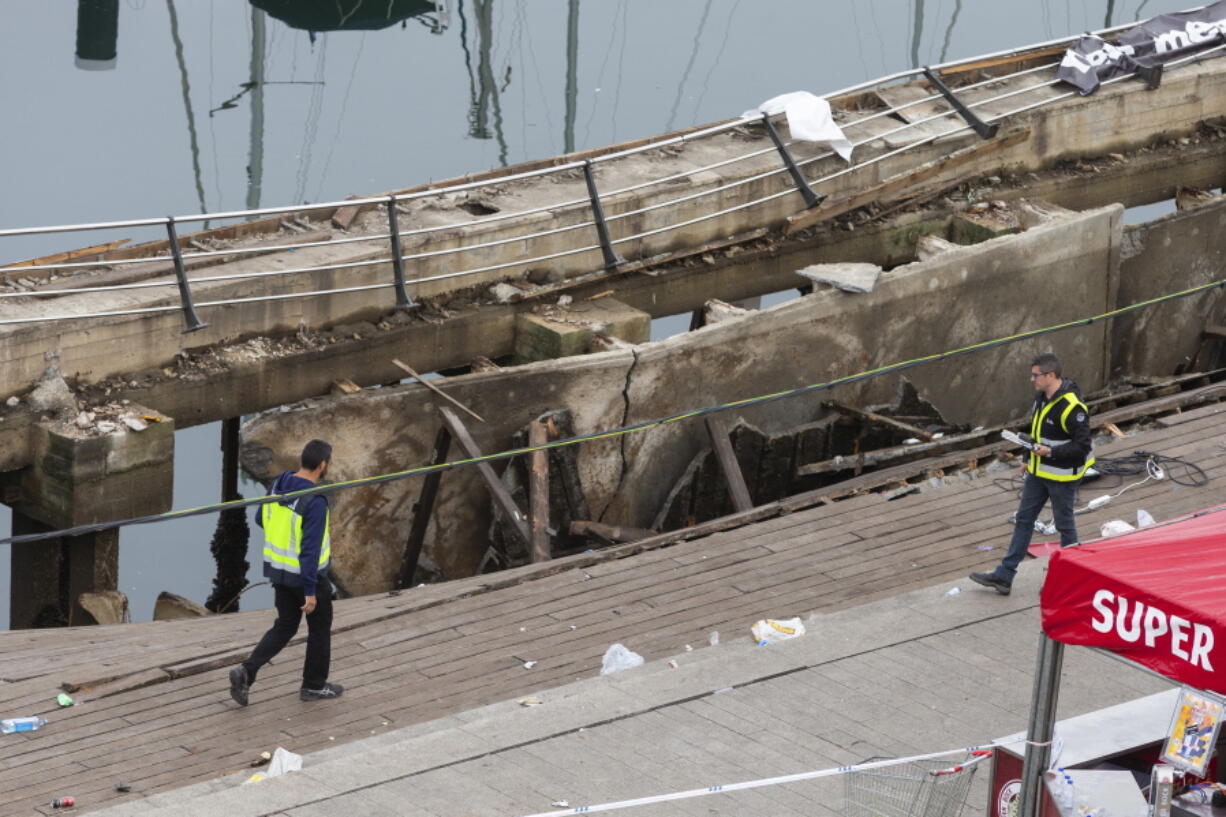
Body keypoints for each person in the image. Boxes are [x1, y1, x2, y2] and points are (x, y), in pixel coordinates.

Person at [229, 439, 343, 705]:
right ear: (323, 465)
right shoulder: (315, 501)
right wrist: (311, 591)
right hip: (306, 579)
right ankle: (314, 686)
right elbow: (310, 552)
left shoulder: (279, 483)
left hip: (279, 573)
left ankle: (247, 671)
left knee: (285, 626)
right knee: (319, 629)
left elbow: (260, 519)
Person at [970, 354, 1094, 596]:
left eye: (1036, 375)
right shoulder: (1041, 398)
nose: (1032, 379)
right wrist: (1029, 458)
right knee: (1023, 520)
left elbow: (1082, 447)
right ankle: (1004, 576)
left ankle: (1069, 579)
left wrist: (1051, 452)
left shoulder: (1073, 407)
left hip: (1062, 478)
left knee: (1065, 527)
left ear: (1050, 375)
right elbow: (1036, 431)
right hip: (1038, 474)